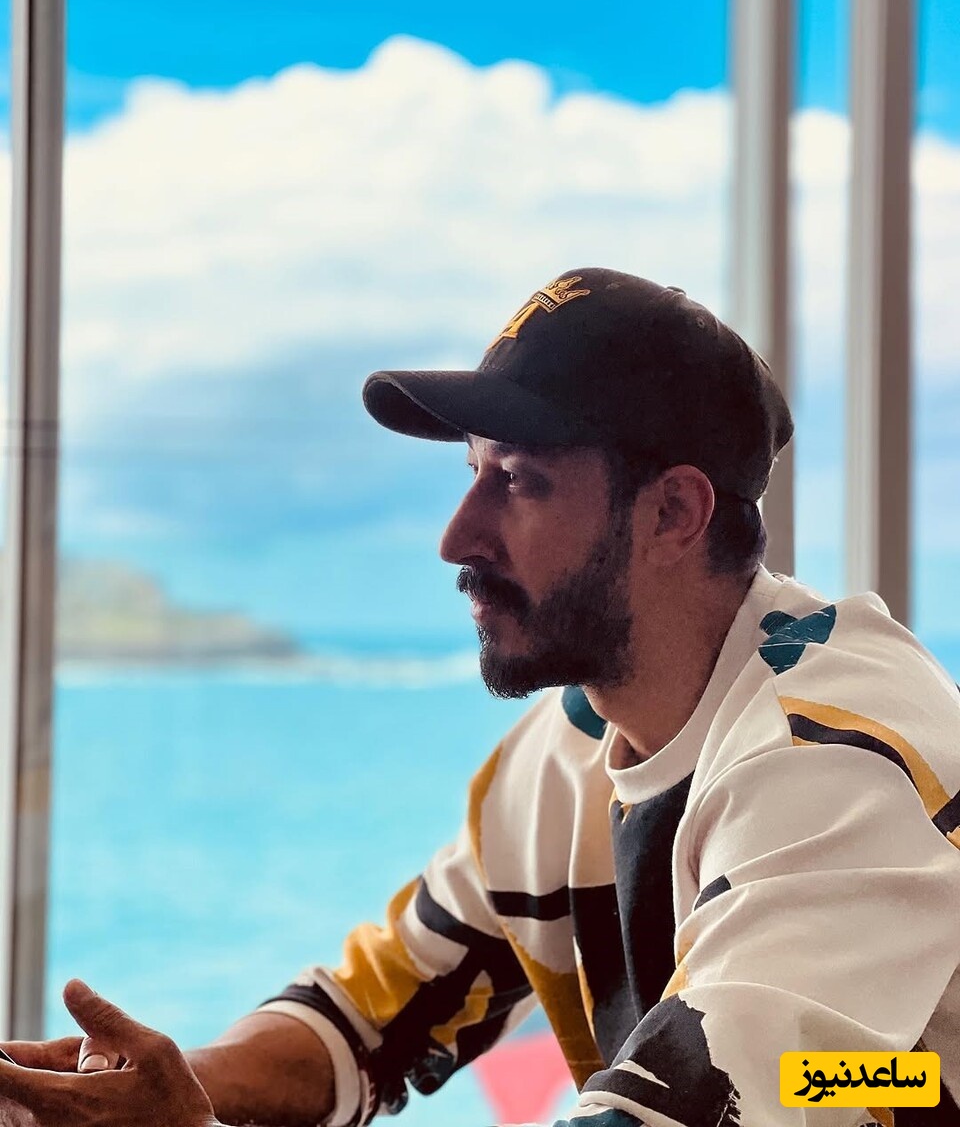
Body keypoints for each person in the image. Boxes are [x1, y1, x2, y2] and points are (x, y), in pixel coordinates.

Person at [1, 269, 959, 1127]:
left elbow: (759, 1093)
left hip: (857, 1087)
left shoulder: (833, 766)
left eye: (519, 481)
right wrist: (137, 1098)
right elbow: (367, 1017)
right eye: (472, 472)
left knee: (848, 1081)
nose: (456, 537)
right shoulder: (570, 747)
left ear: (673, 513)